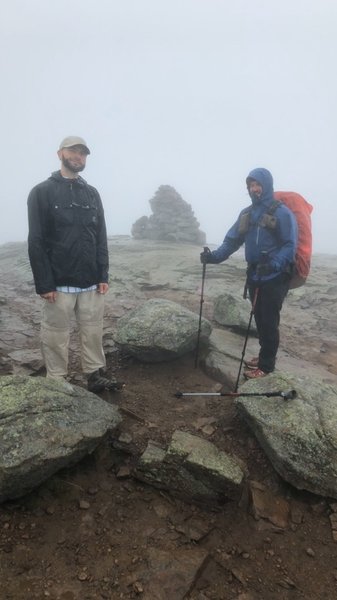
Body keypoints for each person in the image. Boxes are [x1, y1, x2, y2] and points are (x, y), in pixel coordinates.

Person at [27, 135, 122, 393]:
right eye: (73, 151)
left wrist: (103, 274)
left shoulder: (92, 193)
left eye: (83, 153)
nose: (78, 156)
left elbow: (100, 236)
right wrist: (44, 283)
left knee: (93, 330)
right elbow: (36, 241)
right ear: (60, 154)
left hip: (91, 281)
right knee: (55, 333)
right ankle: (57, 379)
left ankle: (94, 374)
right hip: (58, 282)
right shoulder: (42, 192)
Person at [200, 167, 298, 379]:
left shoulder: (281, 212)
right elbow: (232, 241)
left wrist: (274, 264)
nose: (254, 189)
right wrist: (213, 257)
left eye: (257, 184)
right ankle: (264, 356)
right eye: (250, 185)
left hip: (275, 277)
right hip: (254, 276)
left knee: (269, 320)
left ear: (266, 185)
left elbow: (290, 245)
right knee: (259, 318)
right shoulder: (247, 213)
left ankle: (266, 366)